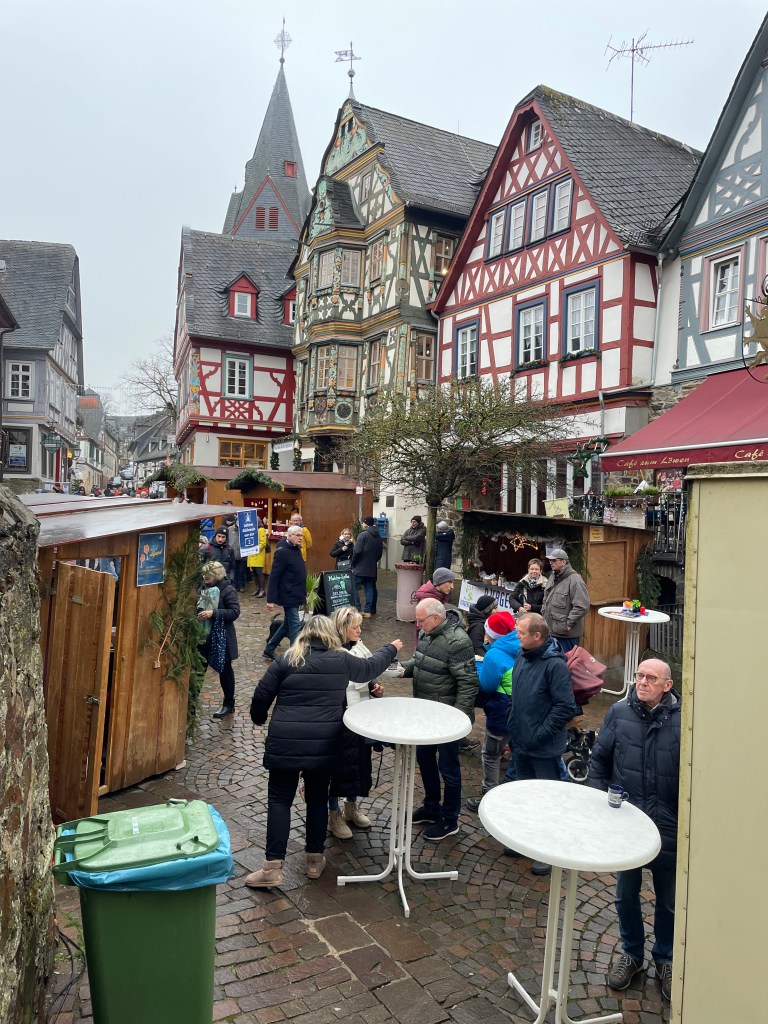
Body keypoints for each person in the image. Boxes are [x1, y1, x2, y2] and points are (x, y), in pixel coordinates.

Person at [246, 616, 402, 888]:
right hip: (324, 745)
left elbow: (261, 696)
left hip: (286, 743)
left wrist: (259, 718)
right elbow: (369, 668)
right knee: (317, 800)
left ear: (304, 634)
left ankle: (272, 869)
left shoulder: (286, 659)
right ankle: (315, 861)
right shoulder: (341, 660)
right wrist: (390, 648)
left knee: (280, 801)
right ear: (330, 634)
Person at [589, 658, 680, 1001]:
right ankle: (632, 953)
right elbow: (599, 762)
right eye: (639, 675)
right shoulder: (618, 712)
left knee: (669, 901)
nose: (642, 682)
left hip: (668, 827)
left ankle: (666, 958)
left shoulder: (684, 722)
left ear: (667, 686)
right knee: (625, 894)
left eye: (651, 678)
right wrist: (601, 808)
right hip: (627, 825)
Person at [506, 612, 579, 874]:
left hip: (543, 747)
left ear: (537, 636)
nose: (517, 635)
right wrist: (513, 724)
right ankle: (525, 841)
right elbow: (518, 694)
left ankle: (547, 849)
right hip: (521, 740)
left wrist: (539, 735)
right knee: (524, 794)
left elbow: (565, 707)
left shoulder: (554, 665)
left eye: (521, 632)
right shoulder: (523, 654)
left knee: (547, 799)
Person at [400, 598, 478, 841]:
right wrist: (401, 668)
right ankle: (431, 807)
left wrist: (459, 720)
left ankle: (450, 818)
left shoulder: (458, 641)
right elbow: (420, 661)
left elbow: (468, 682)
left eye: (420, 620)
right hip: (426, 714)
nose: (417, 624)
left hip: (447, 719)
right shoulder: (428, 632)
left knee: (449, 769)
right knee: (425, 760)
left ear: (435, 617)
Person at [326, 606, 385, 839]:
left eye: (360, 626)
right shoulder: (331, 652)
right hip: (338, 721)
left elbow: (367, 673)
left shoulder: (360, 647)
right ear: (342, 628)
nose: (360, 630)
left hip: (359, 719)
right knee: (336, 769)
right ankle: (334, 814)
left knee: (358, 765)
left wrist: (374, 687)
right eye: (355, 627)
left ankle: (351, 807)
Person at [466, 611, 519, 812]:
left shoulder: (495, 655)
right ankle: (513, 791)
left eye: (487, 631)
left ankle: (490, 797)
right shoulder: (521, 644)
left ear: (493, 633)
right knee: (516, 750)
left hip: (501, 711)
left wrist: (480, 666)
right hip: (520, 709)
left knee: (490, 754)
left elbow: (487, 685)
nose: (484, 635)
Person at [197, 560, 241, 719]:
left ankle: (229, 704)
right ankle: (191, 704)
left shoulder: (227, 589)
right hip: (203, 636)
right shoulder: (202, 587)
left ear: (217, 575)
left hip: (221, 637)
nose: (205, 577)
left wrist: (213, 613)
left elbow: (234, 612)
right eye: (204, 574)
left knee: (225, 671)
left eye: (208, 574)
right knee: (198, 669)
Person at [263, 525, 307, 660]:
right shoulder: (282, 552)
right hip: (289, 595)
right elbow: (274, 576)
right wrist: (270, 599)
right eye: (298, 535)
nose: (301, 538)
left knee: (287, 625)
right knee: (295, 626)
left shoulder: (296, 549)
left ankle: (269, 649)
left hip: (297, 593)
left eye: (301, 535)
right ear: (290, 536)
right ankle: (295, 656)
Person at [541, 548, 590, 653]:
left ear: (563, 562)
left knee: (565, 661)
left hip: (566, 637)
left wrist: (568, 624)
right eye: (550, 560)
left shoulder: (575, 580)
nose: (550, 562)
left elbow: (582, 606)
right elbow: (546, 599)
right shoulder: (553, 576)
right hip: (551, 632)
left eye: (554, 560)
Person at [350, 516, 383, 618]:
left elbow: (357, 551)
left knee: (354, 587)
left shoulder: (363, 534)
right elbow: (379, 554)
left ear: (366, 524)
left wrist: (353, 563)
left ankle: (357, 609)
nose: (362, 524)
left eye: (363, 523)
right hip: (371, 567)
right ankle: (368, 611)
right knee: (369, 589)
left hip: (360, 567)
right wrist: (373, 561)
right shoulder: (378, 536)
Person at [222, 506, 247, 592]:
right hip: (232, 554)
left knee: (241, 571)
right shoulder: (229, 529)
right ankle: (234, 585)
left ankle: (241, 585)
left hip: (242, 554)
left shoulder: (245, 530)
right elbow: (226, 540)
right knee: (234, 571)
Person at [248, 522, 269, 597]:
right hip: (252, 555)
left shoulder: (261, 530)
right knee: (254, 573)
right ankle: (257, 589)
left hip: (258, 555)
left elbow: (263, 543)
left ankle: (262, 590)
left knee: (259, 573)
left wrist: (254, 550)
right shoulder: (251, 530)